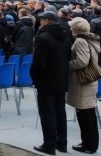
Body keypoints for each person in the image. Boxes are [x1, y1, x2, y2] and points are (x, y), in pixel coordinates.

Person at [30, 11, 70, 155]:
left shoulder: (44, 37)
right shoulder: (64, 36)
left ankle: (49, 144)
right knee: (60, 112)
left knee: (47, 113)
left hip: (46, 80)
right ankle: (62, 143)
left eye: (42, 20)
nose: (41, 22)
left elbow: (39, 62)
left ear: (47, 21)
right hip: (61, 78)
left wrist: (34, 76)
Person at [67, 17, 100, 154]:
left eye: (71, 27)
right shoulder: (91, 39)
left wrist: (67, 64)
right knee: (89, 113)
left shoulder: (80, 41)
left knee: (85, 115)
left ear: (76, 29)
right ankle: (90, 144)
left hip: (82, 82)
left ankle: (88, 145)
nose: (69, 29)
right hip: (89, 81)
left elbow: (82, 61)